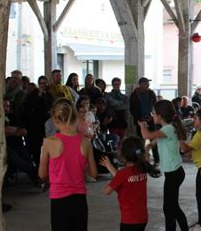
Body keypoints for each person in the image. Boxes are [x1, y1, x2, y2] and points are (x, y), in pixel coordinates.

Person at [39, 98, 98, 231]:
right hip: (79, 199)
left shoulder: (49, 142)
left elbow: (42, 174)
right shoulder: (85, 142)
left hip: (59, 200)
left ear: (54, 119)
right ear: (75, 117)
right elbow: (93, 174)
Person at [138, 100, 189, 231]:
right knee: (169, 208)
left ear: (160, 115)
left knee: (171, 207)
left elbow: (147, 135)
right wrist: (148, 148)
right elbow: (152, 141)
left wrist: (142, 125)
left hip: (175, 173)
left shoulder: (167, 129)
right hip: (173, 173)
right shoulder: (166, 129)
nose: (152, 115)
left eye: (153, 113)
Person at [100, 136, 152, 231]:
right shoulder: (143, 169)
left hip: (129, 220)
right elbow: (125, 179)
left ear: (123, 156)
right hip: (142, 218)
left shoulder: (123, 174)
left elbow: (106, 191)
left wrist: (111, 183)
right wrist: (109, 166)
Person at [21, 76, 53, 168]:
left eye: (45, 83)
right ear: (38, 84)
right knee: (36, 150)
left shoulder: (48, 95)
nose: (43, 85)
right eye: (41, 83)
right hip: (34, 126)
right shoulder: (33, 95)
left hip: (46, 124)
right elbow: (30, 107)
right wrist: (39, 95)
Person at [106, 77, 129, 145]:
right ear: (112, 85)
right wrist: (121, 103)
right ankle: (113, 155)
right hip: (112, 120)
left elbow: (127, 106)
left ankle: (119, 155)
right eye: (115, 84)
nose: (116, 85)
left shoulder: (124, 96)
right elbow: (111, 102)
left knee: (121, 141)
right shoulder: (108, 95)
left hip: (122, 120)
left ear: (120, 84)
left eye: (118, 84)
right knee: (113, 141)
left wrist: (117, 106)